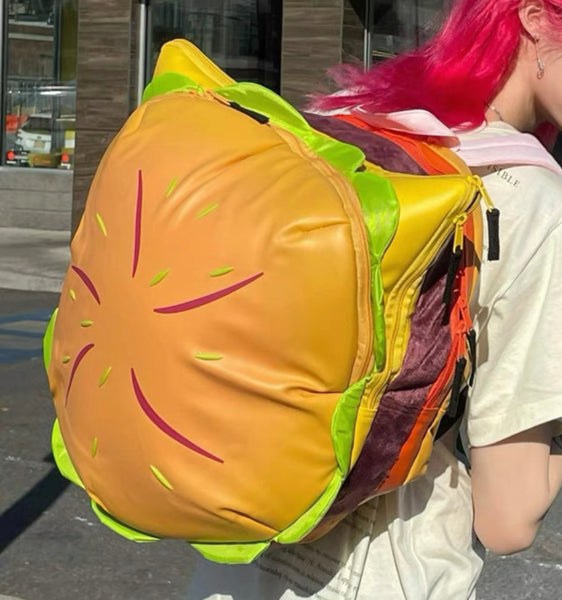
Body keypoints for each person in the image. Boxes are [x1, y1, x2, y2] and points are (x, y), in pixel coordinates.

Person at [185, 0, 562, 598]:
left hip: (238, 547)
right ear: (537, 18)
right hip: (389, 570)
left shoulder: (341, 124)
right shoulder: (531, 198)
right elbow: (507, 519)